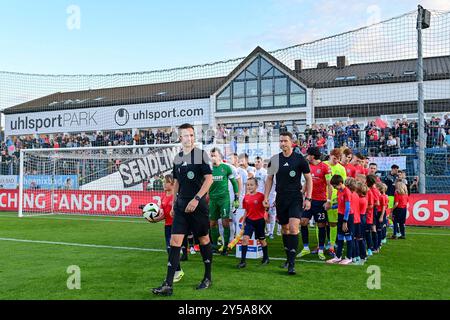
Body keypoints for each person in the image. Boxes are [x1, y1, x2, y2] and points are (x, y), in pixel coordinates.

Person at [152, 123, 213, 296]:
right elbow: (177, 181)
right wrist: (173, 203)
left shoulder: (201, 155)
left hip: (198, 206)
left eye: (192, 135)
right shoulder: (178, 158)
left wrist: (196, 199)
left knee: (203, 240)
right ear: (180, 138)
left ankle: (207, 277)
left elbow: (209, 180)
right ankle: (168, 285)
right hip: (180, 206)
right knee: (174, 243)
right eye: (186, 135)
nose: (190, 138)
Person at [264, 131, 312, 275]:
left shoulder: (300, 159)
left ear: (291, 142)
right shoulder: (274, 159)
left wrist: (308, 198)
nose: (283, 143)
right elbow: (270, 179)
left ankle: (292, 264)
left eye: (285, 141)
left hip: (295, 197)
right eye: (281, 141)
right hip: (281, 198)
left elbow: (309, 179)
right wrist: (266, 197)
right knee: (284, 229)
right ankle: (288, 258)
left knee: (293, 228)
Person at [146, 174, 185, 283]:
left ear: (172, 183)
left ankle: (178, 271)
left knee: (171, 250)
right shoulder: (164, 197)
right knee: (170, 250)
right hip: (167, 226)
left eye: (166, 182)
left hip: (176, 226)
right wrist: (154, 220)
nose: (164, 184)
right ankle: (177, 270)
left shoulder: (176, 196)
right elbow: (163, 215)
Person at [298, 147, 332, 261]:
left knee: (321, 225)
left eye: (308, 155)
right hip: (309, 200)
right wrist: (302, 192)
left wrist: (328, 200)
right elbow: (307, 182)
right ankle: (306, 247)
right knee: (303, 222)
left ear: (312, 156)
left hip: (320, 201)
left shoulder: (325, 167)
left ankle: (321, 249)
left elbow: (329, 185)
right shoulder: (307, 167)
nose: (307, 157)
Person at [209, 148, 239, 254]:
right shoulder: (208, 169)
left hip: (224, 199)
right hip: (212, 200)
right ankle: (214, 245)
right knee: (212, 223)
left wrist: (236, 196)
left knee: (225, 222)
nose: (212, 157)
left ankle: (226, 246)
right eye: (211, 155)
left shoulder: (226, 168)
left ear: (220, 156)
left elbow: (234, 182)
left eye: (214, 155)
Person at [237, 177, 270, 268]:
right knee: (245, 239)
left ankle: (266, 258)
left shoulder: (261, 196)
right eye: (248, 185)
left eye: (251, 185)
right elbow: (246, 211)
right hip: (249, 221)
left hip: (259, 221)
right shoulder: (246, 197)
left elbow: (267, 207)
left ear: (256, 186)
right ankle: (243, 261)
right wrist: (243, 222)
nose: (249, 186)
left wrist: (267, 213)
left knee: (262, 240)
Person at [324, 148, 347, 256]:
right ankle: (321, 245)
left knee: (333, 223)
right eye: (334, 158)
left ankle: (332, 245)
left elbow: (343, 185)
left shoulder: (341, 169)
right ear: (330, 155)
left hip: (334, 200)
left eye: (338, 159)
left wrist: (338, 199)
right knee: (321, 223)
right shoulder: (323, 165)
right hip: (321, 198)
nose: (336, 161)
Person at [326, 175, 354, 265]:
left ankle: (349, 257)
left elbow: (347, 208)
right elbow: (340, 204)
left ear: (340, 183)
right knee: (340, 237)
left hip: (347, 217)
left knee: (348, 237)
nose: (334, 188)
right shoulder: (339, 191)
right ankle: (338, 257)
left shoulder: (347, 192)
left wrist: (345, 221)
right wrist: (331, 207)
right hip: (341, 215)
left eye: (335, 186)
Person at [356, 182, 368, 262]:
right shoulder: (364, 198)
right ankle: (362, 254)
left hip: (359, 218)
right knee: (361, 237)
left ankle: (361, 254)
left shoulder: (360, 199)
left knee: (359, 238)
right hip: (362, 218)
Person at [375, 183, 388, 248]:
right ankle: (379, 241)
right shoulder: (383, 196)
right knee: (379, 228)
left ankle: (379, 242)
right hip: (379, 213)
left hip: (380, 213)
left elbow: (384, 207)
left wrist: (381, 216)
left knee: (379, 229)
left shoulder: (382, 197)